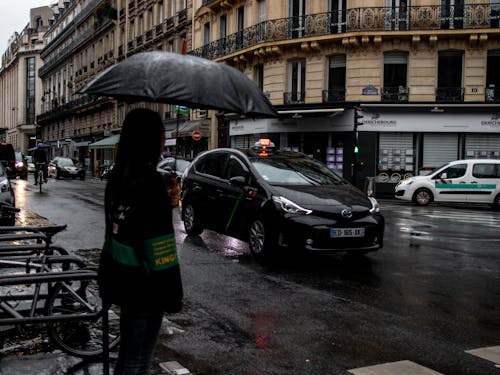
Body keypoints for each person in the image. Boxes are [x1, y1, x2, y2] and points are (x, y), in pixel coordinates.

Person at [98, 108, 183, 375]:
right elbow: (160, 247)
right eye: (161, 135)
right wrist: (173, 293)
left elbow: (125, 228)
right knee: (138, 361)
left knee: (127, 356)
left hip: (122, 278)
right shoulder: (151, 183)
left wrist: (164, 203)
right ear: (150, 139)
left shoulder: (118, 177)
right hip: (146, 286)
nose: (163, 140)